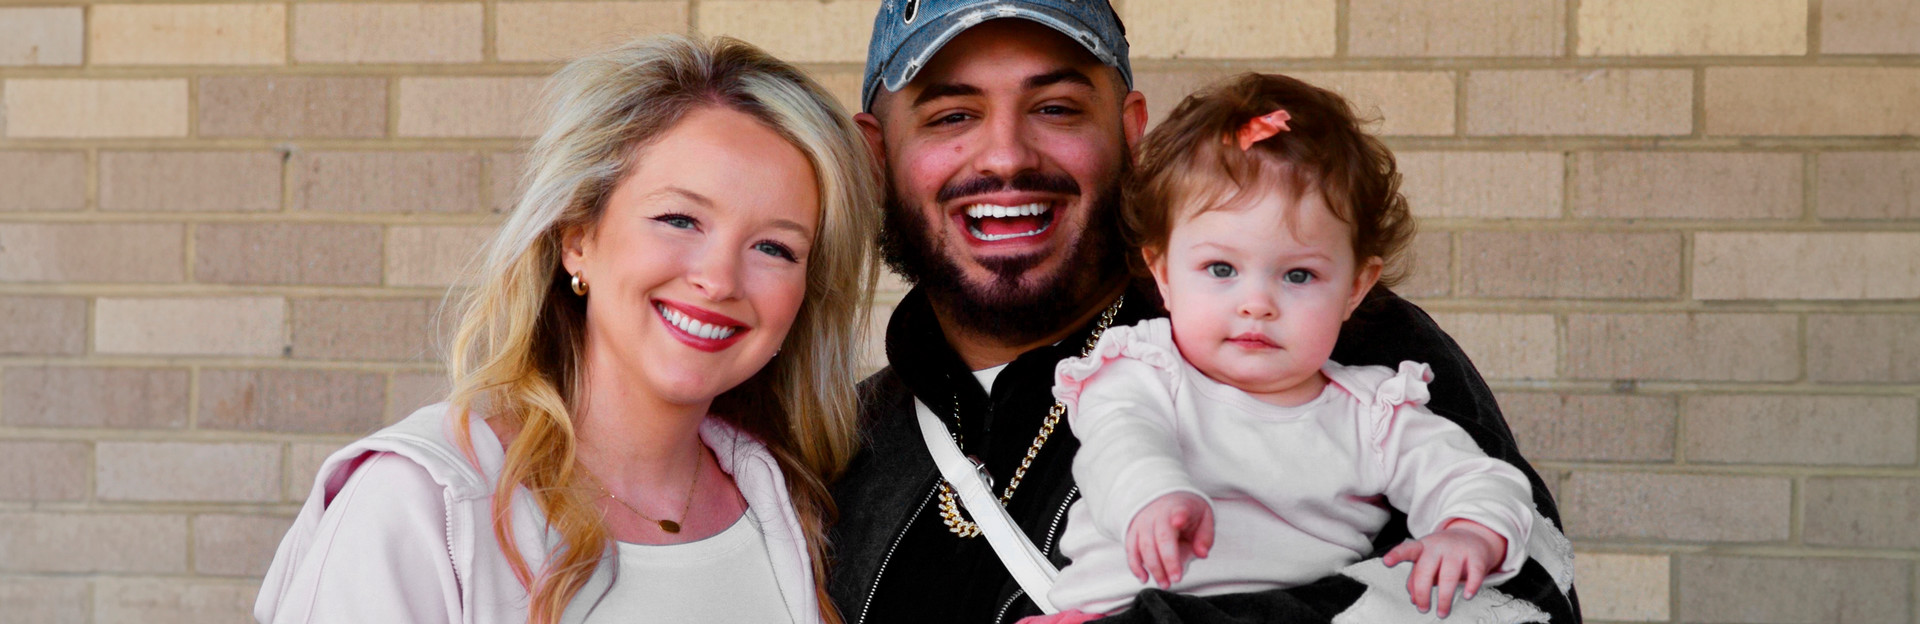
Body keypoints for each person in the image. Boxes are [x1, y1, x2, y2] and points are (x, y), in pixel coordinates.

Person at [827, 1, 1580, 622]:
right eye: (951, 116)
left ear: (1128, 129)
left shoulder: (1335, 344)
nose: (1004, 156)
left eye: (1055, 106)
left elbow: (1526, 597)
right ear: (877, 155)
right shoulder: (841, 448)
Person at [254, 34, 879, 624]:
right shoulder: (422, 505)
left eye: (774, 248)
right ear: (578, 238)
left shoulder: (791, 503)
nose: (719, 280)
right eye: (679, 219)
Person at [1031, 73, 1534, 624]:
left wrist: (1470, 532)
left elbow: (1478, 478)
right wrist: (1155, 495)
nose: (1257, 303)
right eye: (1221, 268)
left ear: (1356, 288)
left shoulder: (1372, 417)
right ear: (1164, 273)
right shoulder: (1143, 372)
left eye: (1298, 275)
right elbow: (1120, 443)